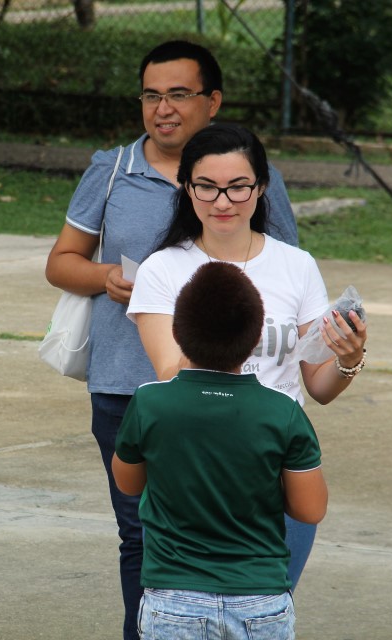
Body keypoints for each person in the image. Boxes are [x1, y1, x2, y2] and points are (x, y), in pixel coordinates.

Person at [44, 40, 299, 640]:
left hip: (232, 390)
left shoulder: (253, 179)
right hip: (125, 386)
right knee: (139, 534)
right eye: (152, 95)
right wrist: (106, 278)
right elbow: (61, 262)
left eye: (179, 94)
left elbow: (286, 269)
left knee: (242, 530)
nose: (164, 108)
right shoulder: (111, 170)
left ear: (212, 102)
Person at [126, 120, 367, 602]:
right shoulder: (162, 269)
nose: (222, 202)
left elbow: (316, 387)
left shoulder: (295, 265)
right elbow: (171, 375)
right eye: (207, 187)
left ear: (260, 187)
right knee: (182, 610)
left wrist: (349, 358)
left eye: (238, 187)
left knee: (267, 609)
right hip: (195, 470)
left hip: (276, 461)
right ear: (185, 187)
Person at [112, 261, 328, 640]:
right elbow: (310, 509)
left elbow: (128, 483)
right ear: (256, 336)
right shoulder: (283, 411)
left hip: (172, 598)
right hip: (259, 600)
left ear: (177, 332)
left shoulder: (149, 403)